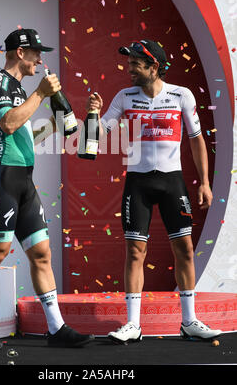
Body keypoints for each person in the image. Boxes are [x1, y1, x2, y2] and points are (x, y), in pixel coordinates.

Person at [0, 28, 94, 350]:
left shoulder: (19, 89)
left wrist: (64, 121)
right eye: (36, 53)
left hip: (24, 181)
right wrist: (41, 94)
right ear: (20, 52)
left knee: (41, 254)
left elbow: (26, 133)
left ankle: (56, 328)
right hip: (1, 177)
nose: (40, 60)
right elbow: (8, 124)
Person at [87, 39, 222, 344]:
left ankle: (189, 321)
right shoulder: (124, 96)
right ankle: (133, 325)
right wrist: (93, 113)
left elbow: (196, 139)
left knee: (185, 250)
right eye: (130, 62)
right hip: (138, 184)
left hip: (172, 182)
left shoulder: (181, 95)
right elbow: (97, 136)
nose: (129, 68)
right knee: (135, 252)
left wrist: (204, 182)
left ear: (153, 67)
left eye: (135, 63)